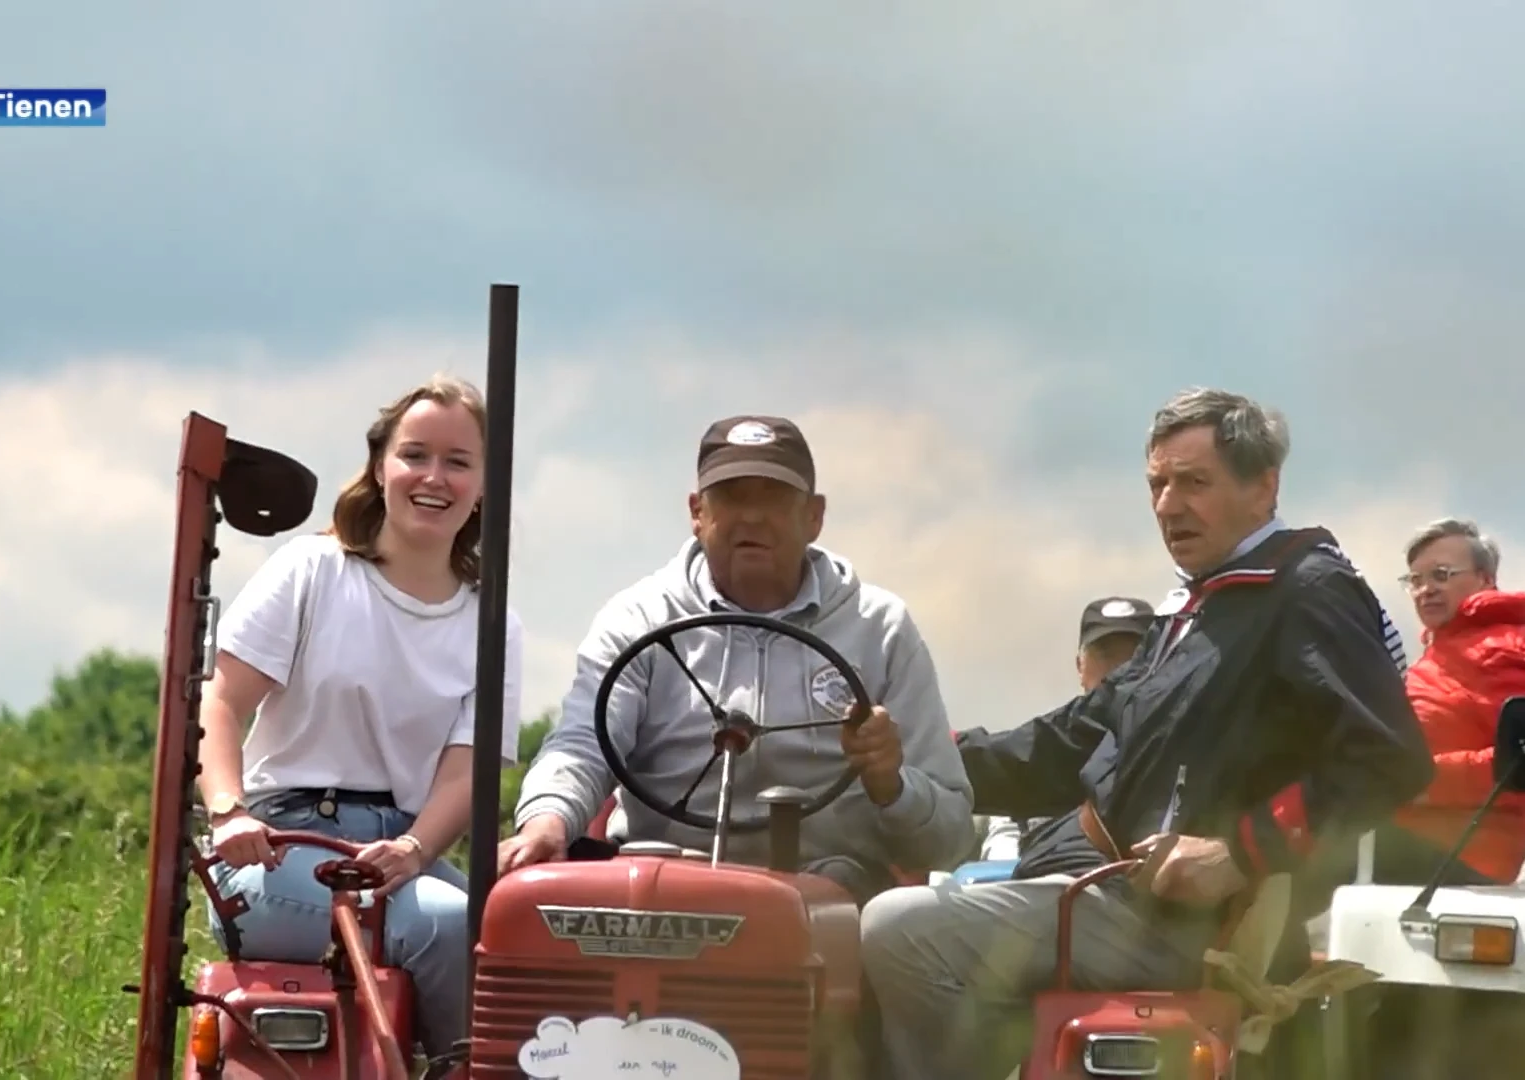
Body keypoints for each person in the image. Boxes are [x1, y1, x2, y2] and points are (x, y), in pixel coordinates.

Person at [860, 387, 1435, 1080]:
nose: (1168, 506)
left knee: (897, 931)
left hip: (1174, 922)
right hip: (1097, 890)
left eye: (1195, 483)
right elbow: (1075, 737)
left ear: (1264, 486)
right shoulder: (1202, 604)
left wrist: (1239, 851)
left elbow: (1388, 758)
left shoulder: (1304, 590)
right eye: (1158, 485)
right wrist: (920, 753)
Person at [499, 414, 975, 903]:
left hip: (830, 896)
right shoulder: (639, 617)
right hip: (657, 887)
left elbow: (951, 840)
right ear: (697, 512)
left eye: (773, 497)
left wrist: (890, 783)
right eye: (731, 496)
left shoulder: (881, 629)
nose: (752, 516)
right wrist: (547, 819)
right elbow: (582, 744)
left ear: (814, 516)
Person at [195, 374, 523, 1066]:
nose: (433, 477)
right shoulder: (313, 571)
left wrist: (412, 851)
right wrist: (229, 813)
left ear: (485, 483)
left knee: (520, 941)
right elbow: (220, 701)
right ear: (381, 467)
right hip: (280, 847)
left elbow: (467, 771)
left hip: (402, 854)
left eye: (458, 462)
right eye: (415, 455)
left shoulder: (493, 624)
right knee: (442, 924)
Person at [1377, 517, 1525, 885]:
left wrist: (1421, 781)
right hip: (1419, 844)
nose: (1425, 590)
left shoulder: (1501, 650)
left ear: (1484, 579)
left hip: (1458, 855)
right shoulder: (1443, 651)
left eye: (1442, 574)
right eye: (1415, 580)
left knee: (1300, 850)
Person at [975, 597, 1153, 864]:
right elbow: (1003, 839)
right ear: (1079, 666)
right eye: (1105, 654)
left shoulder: (1168, 746)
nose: (1120, 668)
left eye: (1134, 655)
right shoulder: (1041, 749)